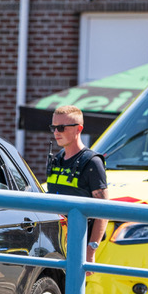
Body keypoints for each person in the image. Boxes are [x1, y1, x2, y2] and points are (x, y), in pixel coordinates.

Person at [45, 105, 109, 263]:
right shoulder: (56, 159)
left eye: (61, 128)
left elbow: (103, 211)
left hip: (79, 245)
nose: (56, 132)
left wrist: (91, 250)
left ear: (78, 129)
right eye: (53, 127)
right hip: (54, 245)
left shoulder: (92, 162)